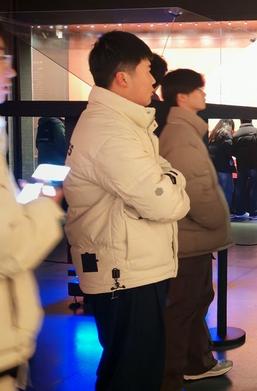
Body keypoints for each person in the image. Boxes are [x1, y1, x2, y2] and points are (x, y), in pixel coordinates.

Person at [63, 31, 191, 391]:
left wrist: (168, 179)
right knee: (134, 374)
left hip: (131, 267)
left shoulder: (120, 124)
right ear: (122, 77)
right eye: (148, 70)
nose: (153, 80)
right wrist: (173, 181)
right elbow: (167, 202)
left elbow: (162, 179)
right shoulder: (112, 132)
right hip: (126, 273)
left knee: (127, 369)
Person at [0, 15, 65, 391]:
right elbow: (4, 248)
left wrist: (16, 205)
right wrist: (47, 205)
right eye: (0, 56)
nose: (10, 71)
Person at [158, 69, 235, 389]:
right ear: (181, 97)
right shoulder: (181, 136)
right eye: (198, 90)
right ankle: (171, 375)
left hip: (193, 240)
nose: (204, 94)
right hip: (189, 241)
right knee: (184, 307)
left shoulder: (184, 131)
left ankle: (197, 362)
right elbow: (196, 191)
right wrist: (218, 221)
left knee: (195, 302)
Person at [231, 118, 257, 220]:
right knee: (254, 188)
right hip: (254, 163)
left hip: (241, 164)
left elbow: (232, 149)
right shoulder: (256, 131)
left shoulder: (236, 134)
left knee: (240, 188)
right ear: (251, 120)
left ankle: (240, 212)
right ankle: (254, 213)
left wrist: (240, 155)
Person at [208, 118, 236, 210]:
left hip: (213, 166)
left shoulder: (213, 135)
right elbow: (230, 150)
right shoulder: (226, 134)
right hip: (223, 166)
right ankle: (225, 212)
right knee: (227, 189)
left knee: (216, 190)